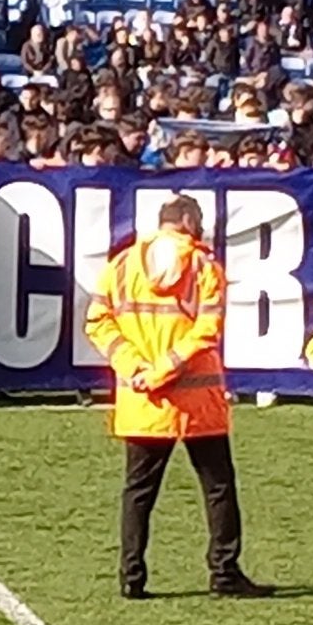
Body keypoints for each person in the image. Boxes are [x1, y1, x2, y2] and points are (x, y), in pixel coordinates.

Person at [84, 195, 271, 600]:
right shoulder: (204, 267)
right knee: (218, 486)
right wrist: (165, 368)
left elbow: (97, 323)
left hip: (142, 399)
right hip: (196, 398)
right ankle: (224, 571)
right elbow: (206, 331)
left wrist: (135, 367)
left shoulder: (121, 265)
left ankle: (131, 576)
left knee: (138, 490)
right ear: (187, 221)